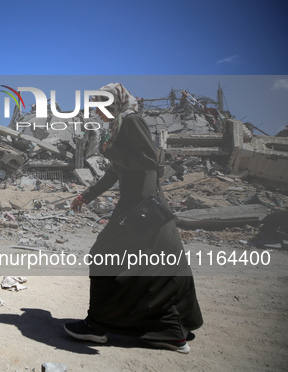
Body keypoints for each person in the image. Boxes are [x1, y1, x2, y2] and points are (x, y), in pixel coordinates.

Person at [66, 83, 203, 354]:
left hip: (142, 211)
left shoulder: (131, 121)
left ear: (114, 103)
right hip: (144, 210)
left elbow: (148, 159)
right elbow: (117, 172)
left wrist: (109, 151)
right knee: (155, 270)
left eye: (99, 105)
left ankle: (97, 327)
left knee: (103, 257)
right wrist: (87, 196)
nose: (96, 110)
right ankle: (170, 332)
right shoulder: (119, 126)